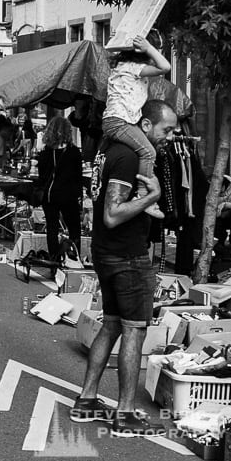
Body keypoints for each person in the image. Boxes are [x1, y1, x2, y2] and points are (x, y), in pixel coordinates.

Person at [71, 100, 176, 437]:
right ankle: (126, 413)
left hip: (107, 253)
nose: (171, 137)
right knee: (134, 329)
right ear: (144, 125)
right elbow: (112, 214)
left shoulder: (111, 150)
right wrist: (152, 197)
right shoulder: (129, 157)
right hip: (126, 257)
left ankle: (87, 400)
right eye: (166, 130)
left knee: (112, 325)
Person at [104, 34, 172, 218]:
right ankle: (143, 196)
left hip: (114, 121)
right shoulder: (134, 68)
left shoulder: (120, 67)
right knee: (149, 152)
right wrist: (149, 47)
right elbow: (166, 66)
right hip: (120, 121)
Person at [36, 115, 84, 262]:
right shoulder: (74, 152)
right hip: (68, 195)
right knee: (74, 228)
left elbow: (41, 176)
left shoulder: (44, 153)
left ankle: (54, 260)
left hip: (50, 195)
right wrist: (79, 195)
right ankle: (73, 258)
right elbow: (78, 176)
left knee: (52, 227)